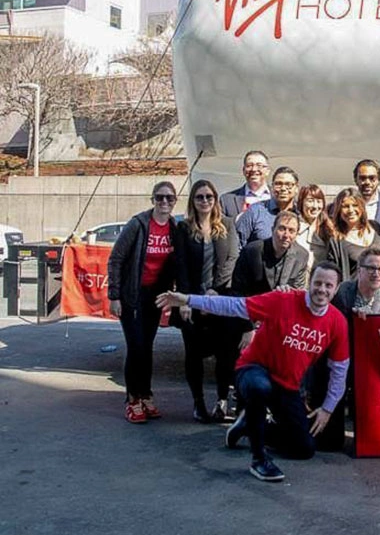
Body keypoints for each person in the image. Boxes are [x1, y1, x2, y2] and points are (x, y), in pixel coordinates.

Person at [157, 262, 350, 482]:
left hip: (287, 385)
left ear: (336, 288)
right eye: (317, 283)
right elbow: (234, 306)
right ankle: (259, 460)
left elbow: (340, 369)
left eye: (328, 285)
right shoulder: (283, 300)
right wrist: (188, 299)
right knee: (260, 388)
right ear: (309, 282)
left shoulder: (337, 322)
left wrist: (328, 408)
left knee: (304, 448)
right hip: (253, 370)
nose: (322, 290)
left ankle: (249, 426)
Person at [309, 246, 380, 451]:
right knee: (328, 444)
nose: (376, 273)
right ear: (359, 270)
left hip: (367, 369)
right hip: (334, 363)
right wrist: (352, 317)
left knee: (369, 443)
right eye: (371, 268)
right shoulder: (341, 292)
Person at [108, 181, 181, 424]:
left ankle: (146, 394)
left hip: (155, 296)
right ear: (152, 199)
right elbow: (116, 259)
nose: (164, 202)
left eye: (169, 198)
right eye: (160, 197)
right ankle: (132, 399)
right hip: (132, 294)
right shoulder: (138, 224)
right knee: (136, 346)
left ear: (175, 202)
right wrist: (114, 296)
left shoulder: (174, 227)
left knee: (147, 347)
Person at [174, 180, 241, 422]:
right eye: (200, 197)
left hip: (219, 299)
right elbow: (179, 265)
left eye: (209, 197)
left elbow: (231, 260)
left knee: (225, 353)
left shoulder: (227, 225)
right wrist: (184, 300)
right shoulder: (183, 229)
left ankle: (222, 400)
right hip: (190, 299)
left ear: (215, 200)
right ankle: (198, 403)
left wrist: (214, 291)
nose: (205, 201)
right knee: (193, 353)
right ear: (193, 200)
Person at [328, 187, 380, 281]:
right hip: (353, 293)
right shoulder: (336, 239)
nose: (351, 210)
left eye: (355, 205)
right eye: (345, 206)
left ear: (362, 207)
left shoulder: (375, 227)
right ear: (339, 210)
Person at [235, 166, 299, 248]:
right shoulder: (255, 211)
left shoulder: (301, 214)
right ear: (272, 187)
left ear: (296, 188)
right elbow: (237, 245)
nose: (283, 188)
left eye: (288, 185)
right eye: (278, 184)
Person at [296, 184, 337, 272]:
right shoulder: (294, 227)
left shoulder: (328, 228)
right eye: (310, 201)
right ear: (301, 202)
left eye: (319, 201)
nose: (315, 206)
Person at [220, 150, 271, 219]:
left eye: (259, 165)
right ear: (243, 170)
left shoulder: (279, 197)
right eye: (249, 165)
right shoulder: (227, 200)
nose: (254, 169)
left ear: (267, 171)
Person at [353, 159, 380, 230]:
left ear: (378, 179)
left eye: (372, 178)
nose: (367, 182)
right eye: (363, 178)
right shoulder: (344, 205)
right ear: (356, 180)